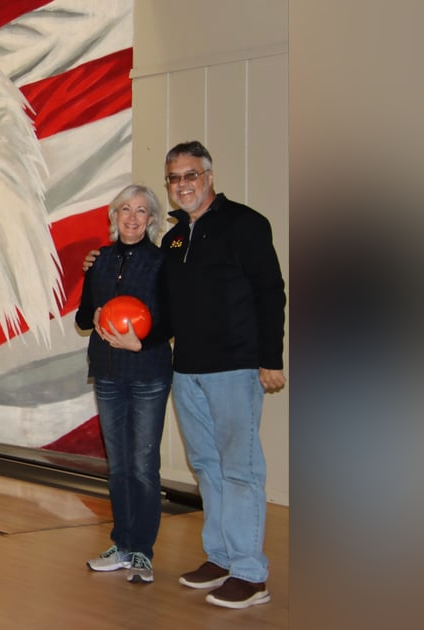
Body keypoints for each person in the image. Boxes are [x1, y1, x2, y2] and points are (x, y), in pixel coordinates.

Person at [83, 141, 285, 608]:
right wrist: (100, 264)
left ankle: (251, 573)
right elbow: (166, 313)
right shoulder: (175, 239)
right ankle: (220, 558)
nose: (182, 185)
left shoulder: (246, 225)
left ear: (209, 176)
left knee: (241, 470)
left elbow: (271, 292)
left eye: (190, 175)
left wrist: (270, 359)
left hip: (234, 367)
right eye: (174, 178)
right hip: (187, 369)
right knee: (208, 468)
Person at [78, 185, 173, 584]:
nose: (132, 217)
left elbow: (173, 319)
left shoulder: (163, 263)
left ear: (152, 220)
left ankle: (142, 552)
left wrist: (143, 341)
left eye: (141, 211)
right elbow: (84, 319)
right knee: (118, 467)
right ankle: (122, 543)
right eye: (125, 210)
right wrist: (96, 311)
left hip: (148, 372)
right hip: (109, 372)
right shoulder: (98, 261)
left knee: (143, 465)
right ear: (114, 217)